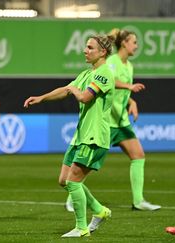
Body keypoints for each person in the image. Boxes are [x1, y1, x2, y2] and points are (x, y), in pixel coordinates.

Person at [24, 34, 115, 238]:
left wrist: (73, 89)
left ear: (103, 52)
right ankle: (99, 210)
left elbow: (83, 96)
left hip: (94, 137)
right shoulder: (86, 74)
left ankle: (81, 228)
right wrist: (42, 98)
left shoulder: (104, 75)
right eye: (86, 47)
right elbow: (65, 90)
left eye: (90, 47)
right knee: (65, 180)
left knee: (74, 181)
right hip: (80, 136)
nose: (85, 50)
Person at [106, 28, 160, 211]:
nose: (136, 46)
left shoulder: (129, 66)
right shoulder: (111, 61)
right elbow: (108, 82)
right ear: (124, 43)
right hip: (107, 122)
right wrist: (129, 87)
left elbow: (121, 91)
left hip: (121, 122)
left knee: (138, 155)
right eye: (134, 42)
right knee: (88, 164)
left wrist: (131, 100)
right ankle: (72, 196)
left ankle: (138, 201)